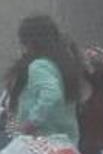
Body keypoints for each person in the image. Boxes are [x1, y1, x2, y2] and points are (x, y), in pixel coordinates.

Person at [5, 15, 81, 144]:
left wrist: (31, 123)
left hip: (40, 142)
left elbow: (51, 94)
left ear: (29, 41)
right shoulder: (62, 66)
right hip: (65, 142)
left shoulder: (38, 66)